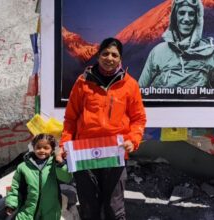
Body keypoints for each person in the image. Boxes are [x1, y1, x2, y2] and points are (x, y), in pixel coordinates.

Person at [57, 37, 146, 220]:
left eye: (114, 55)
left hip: (115, 153)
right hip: (84, 153)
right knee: (89, 207)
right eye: (105, 53)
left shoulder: (130, 85)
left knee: (115, 208)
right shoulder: (82, 83)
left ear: (120, 59)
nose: (109, 58)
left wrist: (133, 140)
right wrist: (65, 144)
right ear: (98, 56)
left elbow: (138, 119)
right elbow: (71, 119)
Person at [138, 0, 214, 88]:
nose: (186, 19)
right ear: (174, 17)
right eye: (181, 13)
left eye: (191, 14)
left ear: (198, 18)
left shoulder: (213, 54)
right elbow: (139, 93)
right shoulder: (158, 53)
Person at [5, 133, 72, 220]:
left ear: (52, 149)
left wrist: (60, 163)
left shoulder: (55, 165)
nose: (42, 150)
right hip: (28, 211)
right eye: (38, 147)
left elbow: (67, 178)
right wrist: (11, 204)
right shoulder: (23, 167)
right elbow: (15, 187)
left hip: (50, 212)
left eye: (46, 148)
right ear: (33, 147)